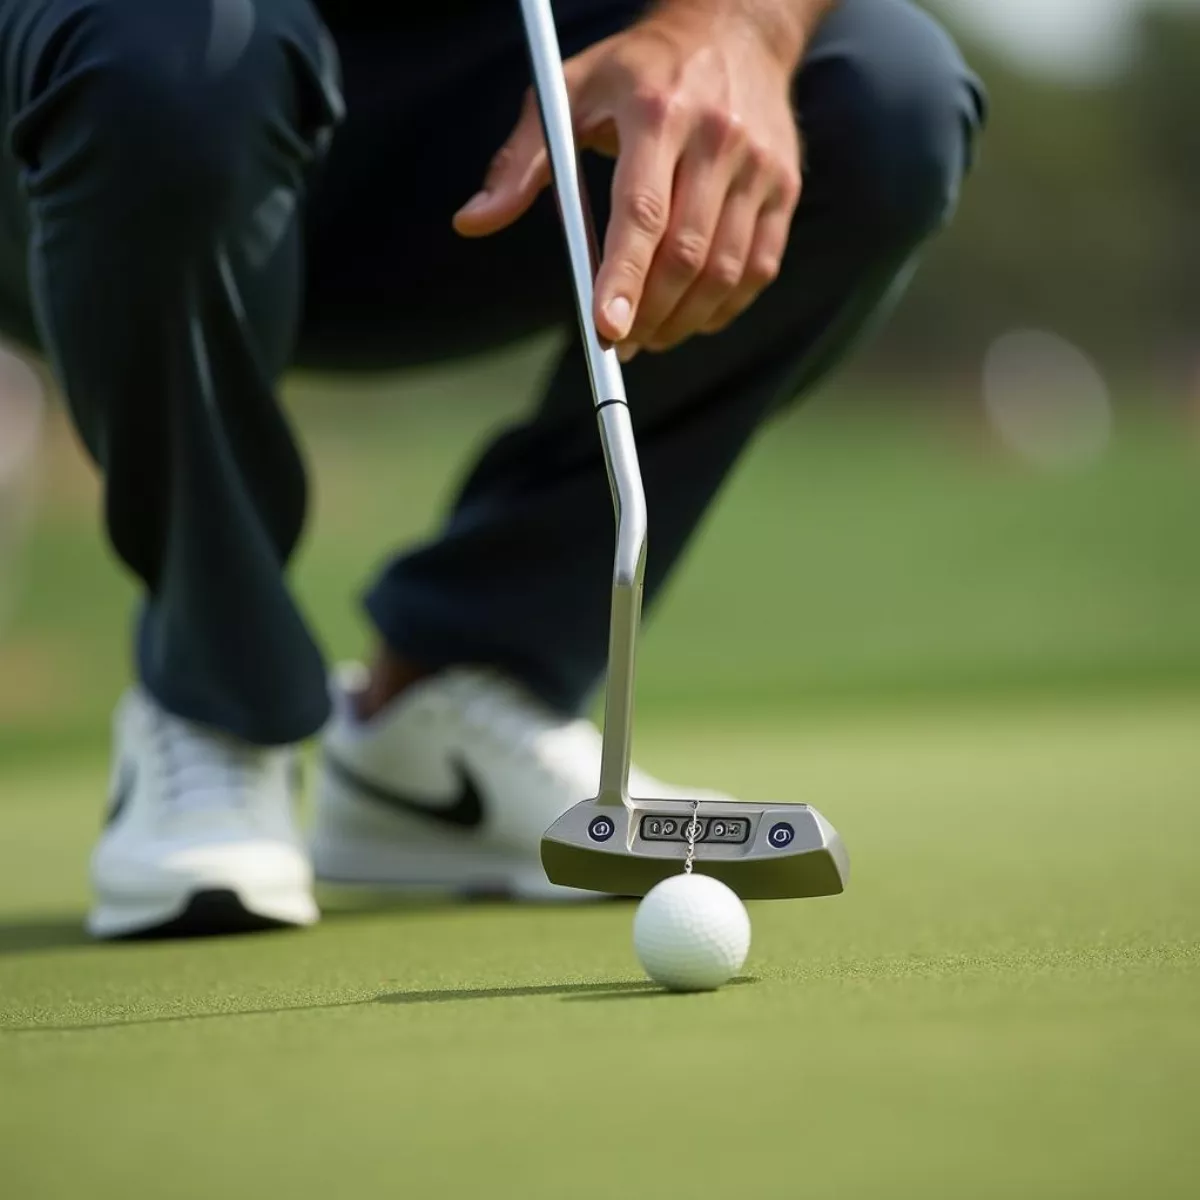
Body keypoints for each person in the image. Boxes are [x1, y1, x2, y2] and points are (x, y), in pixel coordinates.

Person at [0, 0, 985, 938]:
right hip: (94, 106)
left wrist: (735, 28)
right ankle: (214, 694)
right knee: (176, 55)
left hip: (478, 131)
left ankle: (450, 707)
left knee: (880, 96)